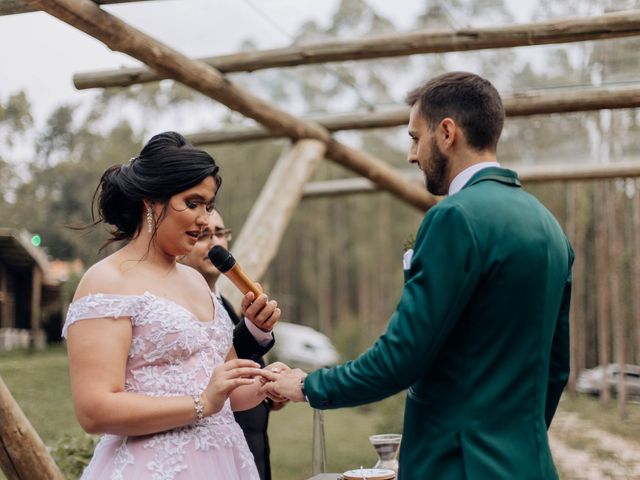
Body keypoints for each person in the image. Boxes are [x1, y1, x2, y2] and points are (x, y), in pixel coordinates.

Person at [262, 72, 574, 479]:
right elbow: (556, 368)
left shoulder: (454, 218)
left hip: (457, 465)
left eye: (414, 137)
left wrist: (307, 386)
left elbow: (401, 358)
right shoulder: (550, 227)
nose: (412, 155)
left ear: (447, 133)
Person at [62, 131, 282, 480]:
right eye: (192, 204)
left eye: (208, 206)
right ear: (151, 201)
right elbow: (94, 410)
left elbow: (226, 393)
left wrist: (265, 382)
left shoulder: (196, 280)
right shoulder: (106, 282)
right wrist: (199, 405)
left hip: (227, 463)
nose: (205, 220)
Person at [180, 208, 286, 480]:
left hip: (252, 454)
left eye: (220, 233)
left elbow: (234, 362)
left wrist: (267, 390)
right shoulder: (176, 311)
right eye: (203, 235)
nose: (214, 243)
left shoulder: (225, 304)